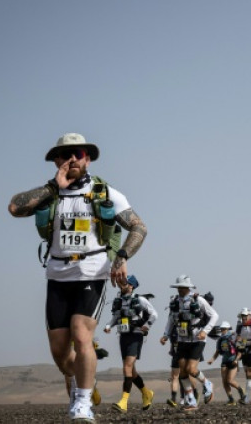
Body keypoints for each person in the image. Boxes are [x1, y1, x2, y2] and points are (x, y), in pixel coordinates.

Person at [8, 133, 148, 423]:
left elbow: (138, 227)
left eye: (78, 153)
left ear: (88, 158)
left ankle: (82, 402)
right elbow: (15, 207)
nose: (72, 158)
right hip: (57, 275)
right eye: (64, 154)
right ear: (56, 160)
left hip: (92, 271)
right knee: (61, 355)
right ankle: (87, 378)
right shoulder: (51, 193)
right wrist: (52, 187)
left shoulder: (105, 192)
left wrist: (121, 258)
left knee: (82, 335)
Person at [159, 275, 218, 411]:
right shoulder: (174, 302)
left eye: (183, 287)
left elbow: (214, 315)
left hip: (197, 339)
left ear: (188, 287)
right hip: (182, 339)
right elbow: (171, 320)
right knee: (183, 372)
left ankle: (207, 383)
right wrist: (165, 335)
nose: (180, 289)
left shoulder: (199, 300)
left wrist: (206, 331)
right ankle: (191, 399)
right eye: (178, 287)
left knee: (191, 369)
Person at [102, 275, 156, 412]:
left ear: (131, 286)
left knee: (127, 367)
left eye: (125, 282)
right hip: (123, 336)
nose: (122, 284)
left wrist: (147, 325)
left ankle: (123, 402)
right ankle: (146, 393)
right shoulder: (119, 301)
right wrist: (108, 326)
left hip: (136, 335)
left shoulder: (140, 300)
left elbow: (154, 314)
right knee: (131, 371)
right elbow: (115, 317)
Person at [207, 322, 246, 404]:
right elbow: (218, 351)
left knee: (230, 380)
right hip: (224, 361)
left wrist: (236, 360)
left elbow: (240, 351)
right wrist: (212, 359)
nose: (222, 331)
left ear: (228, 329)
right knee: (224, 381)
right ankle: (231, 399)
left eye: (224, 329)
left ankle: (241, 390)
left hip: (233, 360)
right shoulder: (220, 339)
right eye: (221, 329)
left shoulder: (234, 337)